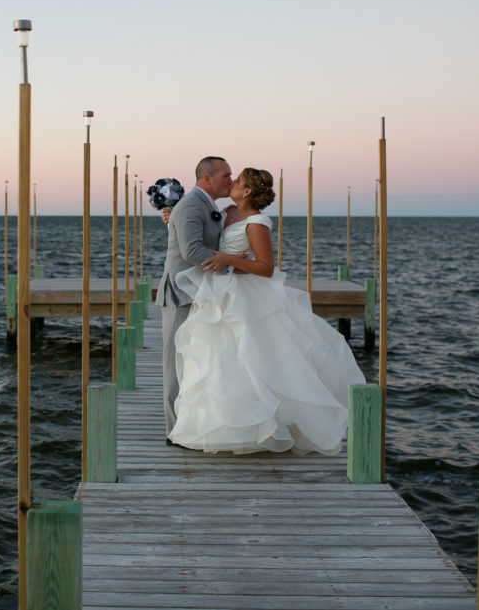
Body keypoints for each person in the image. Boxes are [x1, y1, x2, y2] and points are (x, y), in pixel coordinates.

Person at [168, 168, 365, 455]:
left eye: (237, 181)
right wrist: (172, 217)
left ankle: (262, 427)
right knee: (219, 358)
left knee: (251, 356)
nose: (232, 183)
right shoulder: (228, 211)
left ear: (247, 191)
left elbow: (265, 267)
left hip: (246, 295)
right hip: (220, 293)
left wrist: (228, 260)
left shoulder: (258, 223)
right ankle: (218, 425)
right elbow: (200, 231)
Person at [156, 156, 233, 440]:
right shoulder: (190, 205)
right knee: (174, 364)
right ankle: (174, 429)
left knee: (196, 361)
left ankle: (193, 421)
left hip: (200, 293)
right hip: (181, 295)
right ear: (206, 179)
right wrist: (232, 267)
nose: (231, 180)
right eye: (226, 175)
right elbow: (190, 251)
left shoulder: (207, 205)